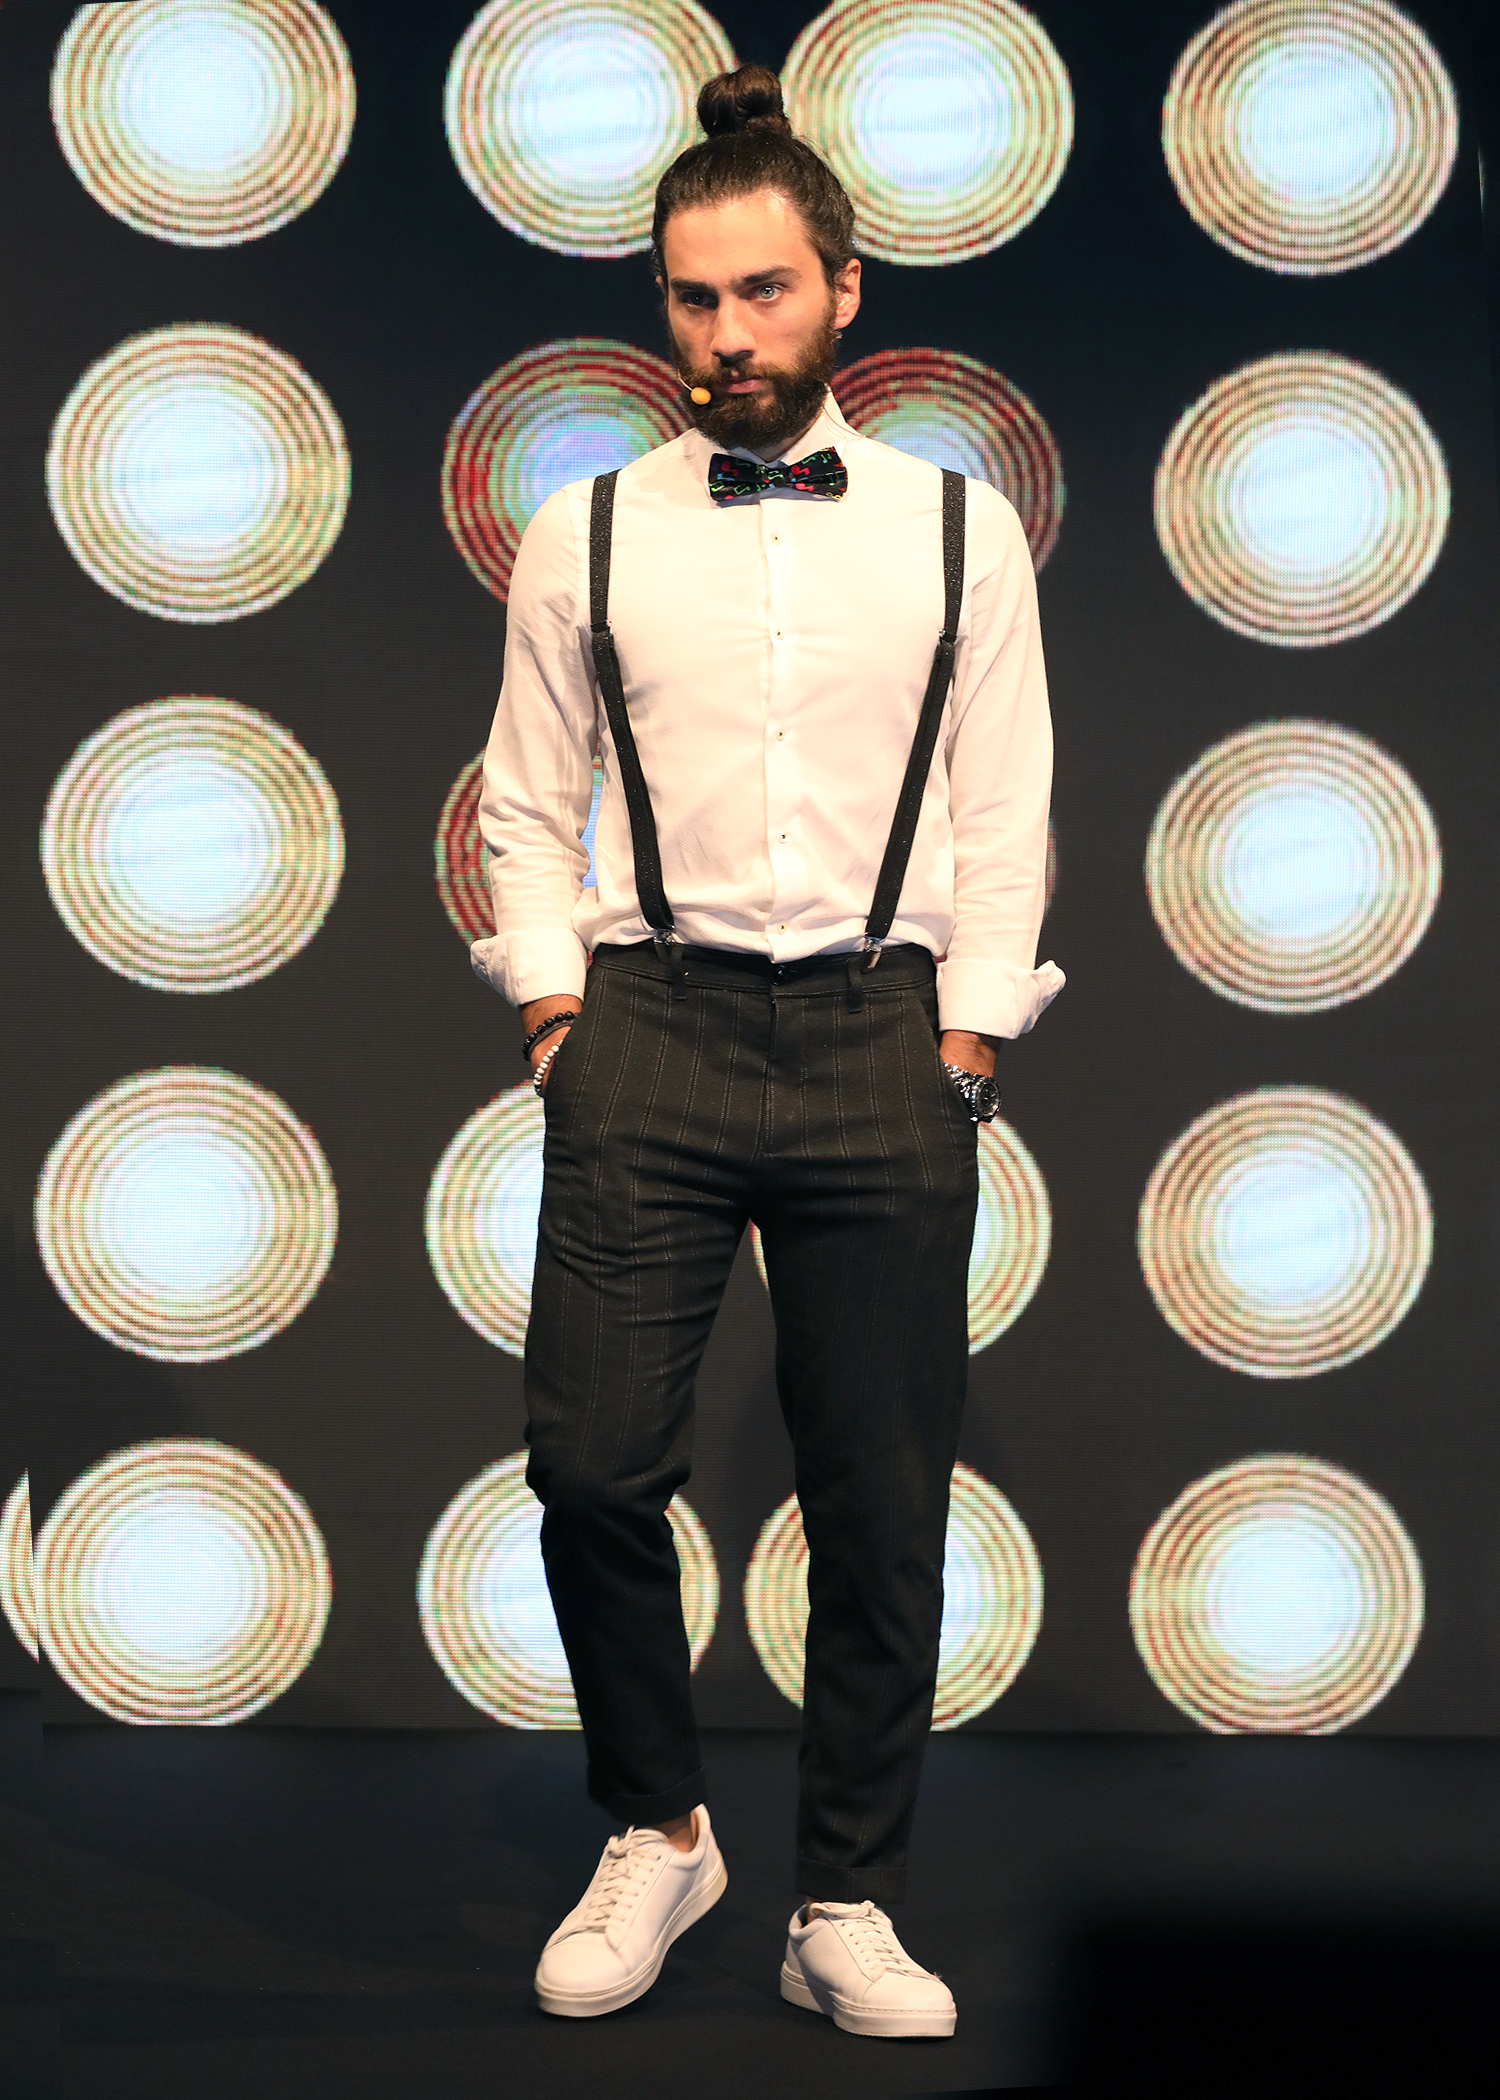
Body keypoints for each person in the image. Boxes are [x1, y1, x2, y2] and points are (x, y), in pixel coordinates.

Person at [471, 62, 1063, 2040]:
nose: (727, 333)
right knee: (588, 1468)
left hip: (887, 1036)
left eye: (763, 292)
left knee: (882, 1505)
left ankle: (845, 1900)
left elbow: (1007, 812)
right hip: (649, 1026)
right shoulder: (585, 530)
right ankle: (659, 1831)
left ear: (842, 289)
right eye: (694, 297)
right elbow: (521, 805)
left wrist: (965, 1044)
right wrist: (557, 1021)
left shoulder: (965, 532)